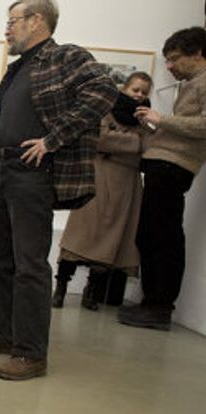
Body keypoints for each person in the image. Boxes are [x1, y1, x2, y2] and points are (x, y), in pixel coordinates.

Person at [0, 0, 117, 380]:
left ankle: (31, 354)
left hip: (33, 173)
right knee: (0, 259)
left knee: (30, 265)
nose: (7, 29)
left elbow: (104, 91)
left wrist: (54, 139)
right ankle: (1, 334)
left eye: (12, 21)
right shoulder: (20, 67)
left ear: (37, 21)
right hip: (2, 170)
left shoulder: (66, 57)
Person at [118, 27, 206, 331]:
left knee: (163, 237)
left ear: (198, 54)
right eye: (167, 60)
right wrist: (156, 126)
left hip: (174, 168)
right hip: (162, 166)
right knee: (150, 235)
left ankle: (159, 306)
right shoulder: (193, 83)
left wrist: (161, 119)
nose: (169, 66)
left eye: (175, 59)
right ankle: (151, 303)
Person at [53, 72, 153, 310]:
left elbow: (149, 147)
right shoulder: (105, 109)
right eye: (135, 90)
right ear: (124, 88)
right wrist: (134, 142)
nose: (139, 95)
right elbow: (101, 139)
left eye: (144, 92)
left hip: (127, 184)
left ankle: (91, 292)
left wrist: (138, 136)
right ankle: (60, 290)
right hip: (98, 178)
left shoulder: (145, 120)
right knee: (78, 238)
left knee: (111, 240)